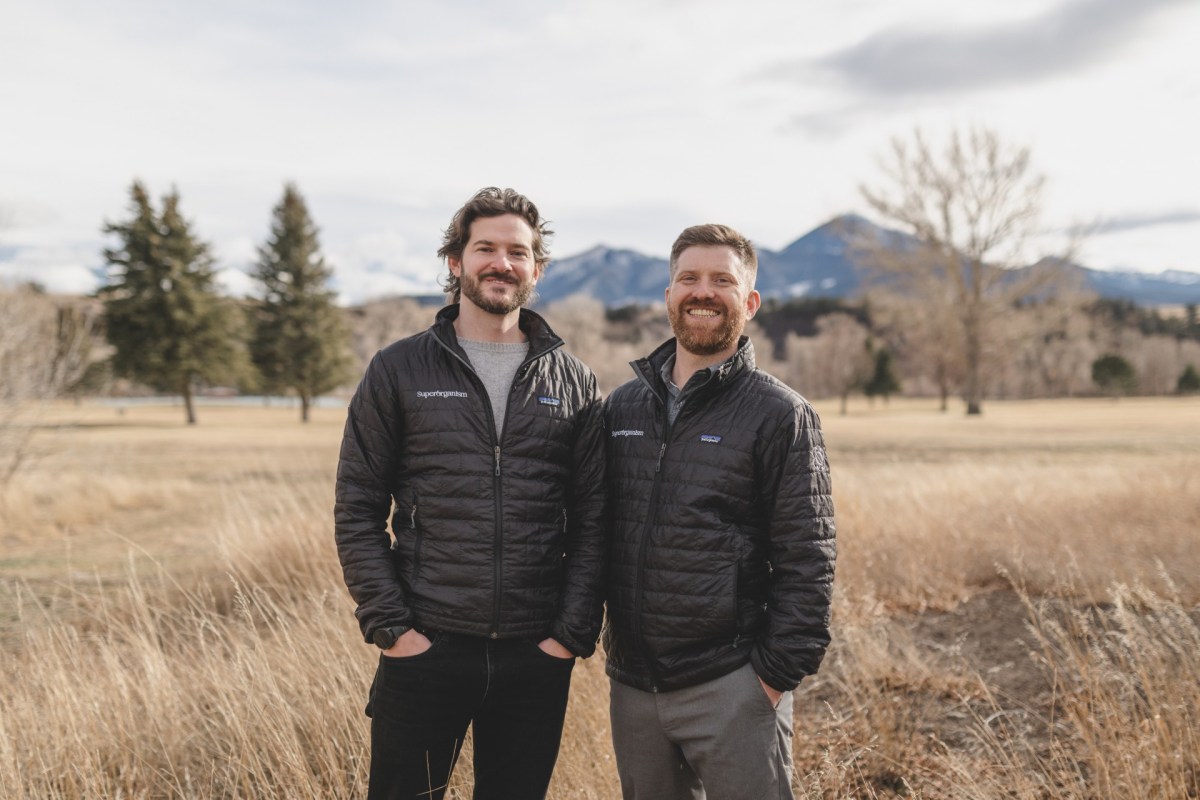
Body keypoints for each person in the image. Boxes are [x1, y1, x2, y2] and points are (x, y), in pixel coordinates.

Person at [334, 187, 606, 800]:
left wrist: (568, 635)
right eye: (485, 248)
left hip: (535, 654)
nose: (501, 263)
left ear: (537, 269)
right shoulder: (400, 369)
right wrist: (393, 628)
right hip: (426, 644)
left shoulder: (575, 382)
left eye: (518, 251)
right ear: (456, 261)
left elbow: (595, 521)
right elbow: (357, 509)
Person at [602, 223, 836, 799]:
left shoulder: (780, 414)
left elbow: (809, 558)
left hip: (732, 685)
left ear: (749, 303)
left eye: (722, 281)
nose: (702, 292)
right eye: (689, 278)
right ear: (669, 296)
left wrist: (771, 678)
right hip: (634, 689)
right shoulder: (622, 408)